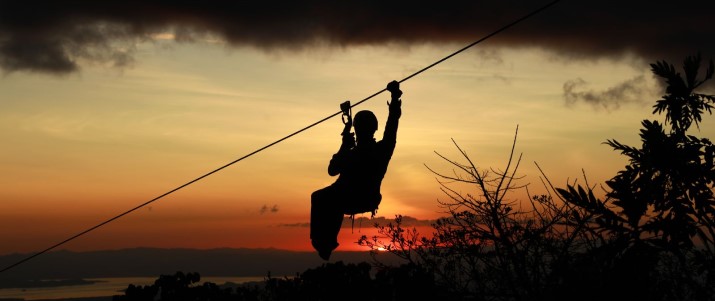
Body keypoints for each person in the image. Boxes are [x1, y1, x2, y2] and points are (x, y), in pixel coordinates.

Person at [310, 80, 403, 260]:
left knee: (328, 199)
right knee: (323, 197)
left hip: (360, 196)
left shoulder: (377, 150)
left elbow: (392, 125)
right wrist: (344, 146)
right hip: (358, 196)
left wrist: (394, 97)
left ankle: (325, 243)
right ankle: (325, 243)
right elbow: (332, 170)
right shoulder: (365, 151)